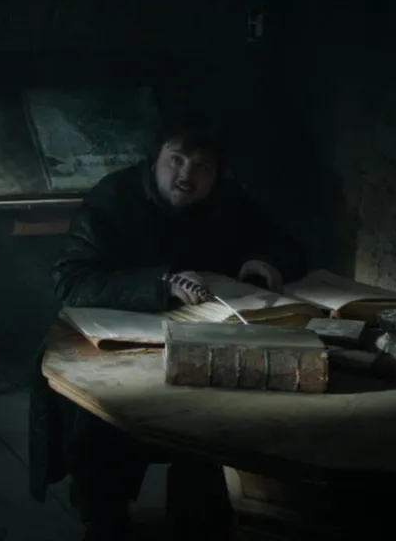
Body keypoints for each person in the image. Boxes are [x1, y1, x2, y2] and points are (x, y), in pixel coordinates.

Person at [28, 111, 306, 541]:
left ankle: (198, 518)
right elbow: (70, 280)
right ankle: (104, 521)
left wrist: (266, 259)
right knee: (104, 419)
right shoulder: (114, 198)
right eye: (176, 160)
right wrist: (159, 285)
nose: (186, 176)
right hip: (117, 343)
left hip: (206, 336)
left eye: (202, 167)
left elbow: (286, 243)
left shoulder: (229, 200)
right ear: (155, 158)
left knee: (219, 424)